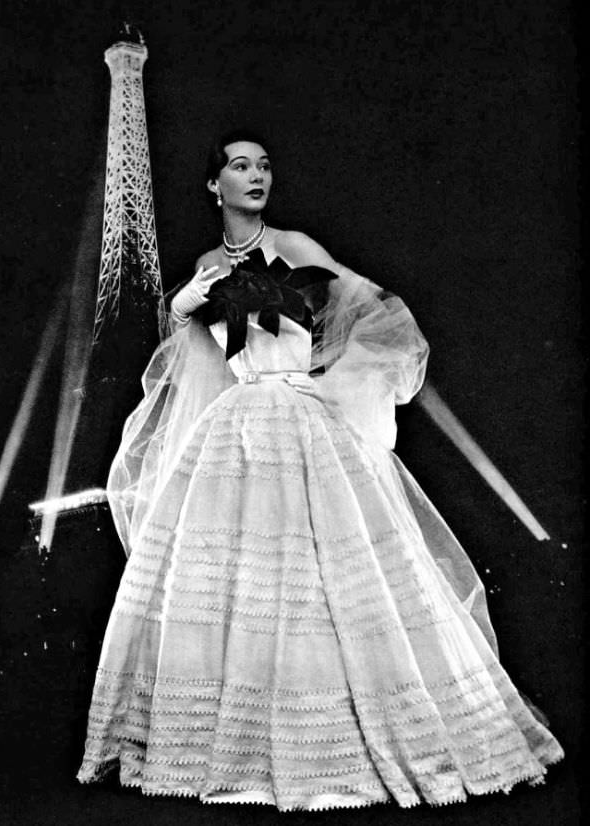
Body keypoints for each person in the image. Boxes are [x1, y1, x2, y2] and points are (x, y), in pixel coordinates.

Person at [76, 129, 563, 810]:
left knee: (328, 577)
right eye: (240, 166)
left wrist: (331, 381)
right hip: (234, 430)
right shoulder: (205, 265)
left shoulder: (296, 247)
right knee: (237, 585)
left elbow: (377, 312)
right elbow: (190, 363)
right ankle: (230, 744)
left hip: (302, 418)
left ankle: (354, 740)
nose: (256, 176)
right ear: (213, 186)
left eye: (265, 165)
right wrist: (185, 303)